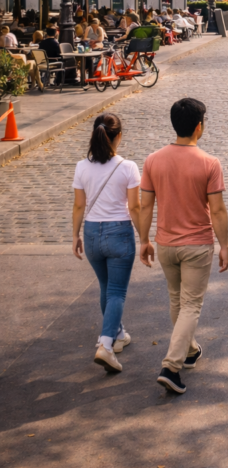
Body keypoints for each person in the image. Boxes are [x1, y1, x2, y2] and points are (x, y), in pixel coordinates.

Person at [139, 97, 228, 394]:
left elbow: (145, 206)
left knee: (177, 300)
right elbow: (217, 210)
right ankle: (171, 366)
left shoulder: (153, 160)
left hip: (166, 243)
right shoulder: (209, 163)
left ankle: (189, 350)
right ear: (199, 127)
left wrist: (144, 239)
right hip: (197, 245)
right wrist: (224, 245)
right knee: (191, 305)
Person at [72, 113, 142, 373]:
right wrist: (144, 238)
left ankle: (118, 333)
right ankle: (106, 345)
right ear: (119, 137)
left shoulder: (82, 167)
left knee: (106, 287)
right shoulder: (128, 167)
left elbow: (79, 205)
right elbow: (134, 207)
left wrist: (74, 236)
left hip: (91, 233)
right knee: (116, 292)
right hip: (119, 234)